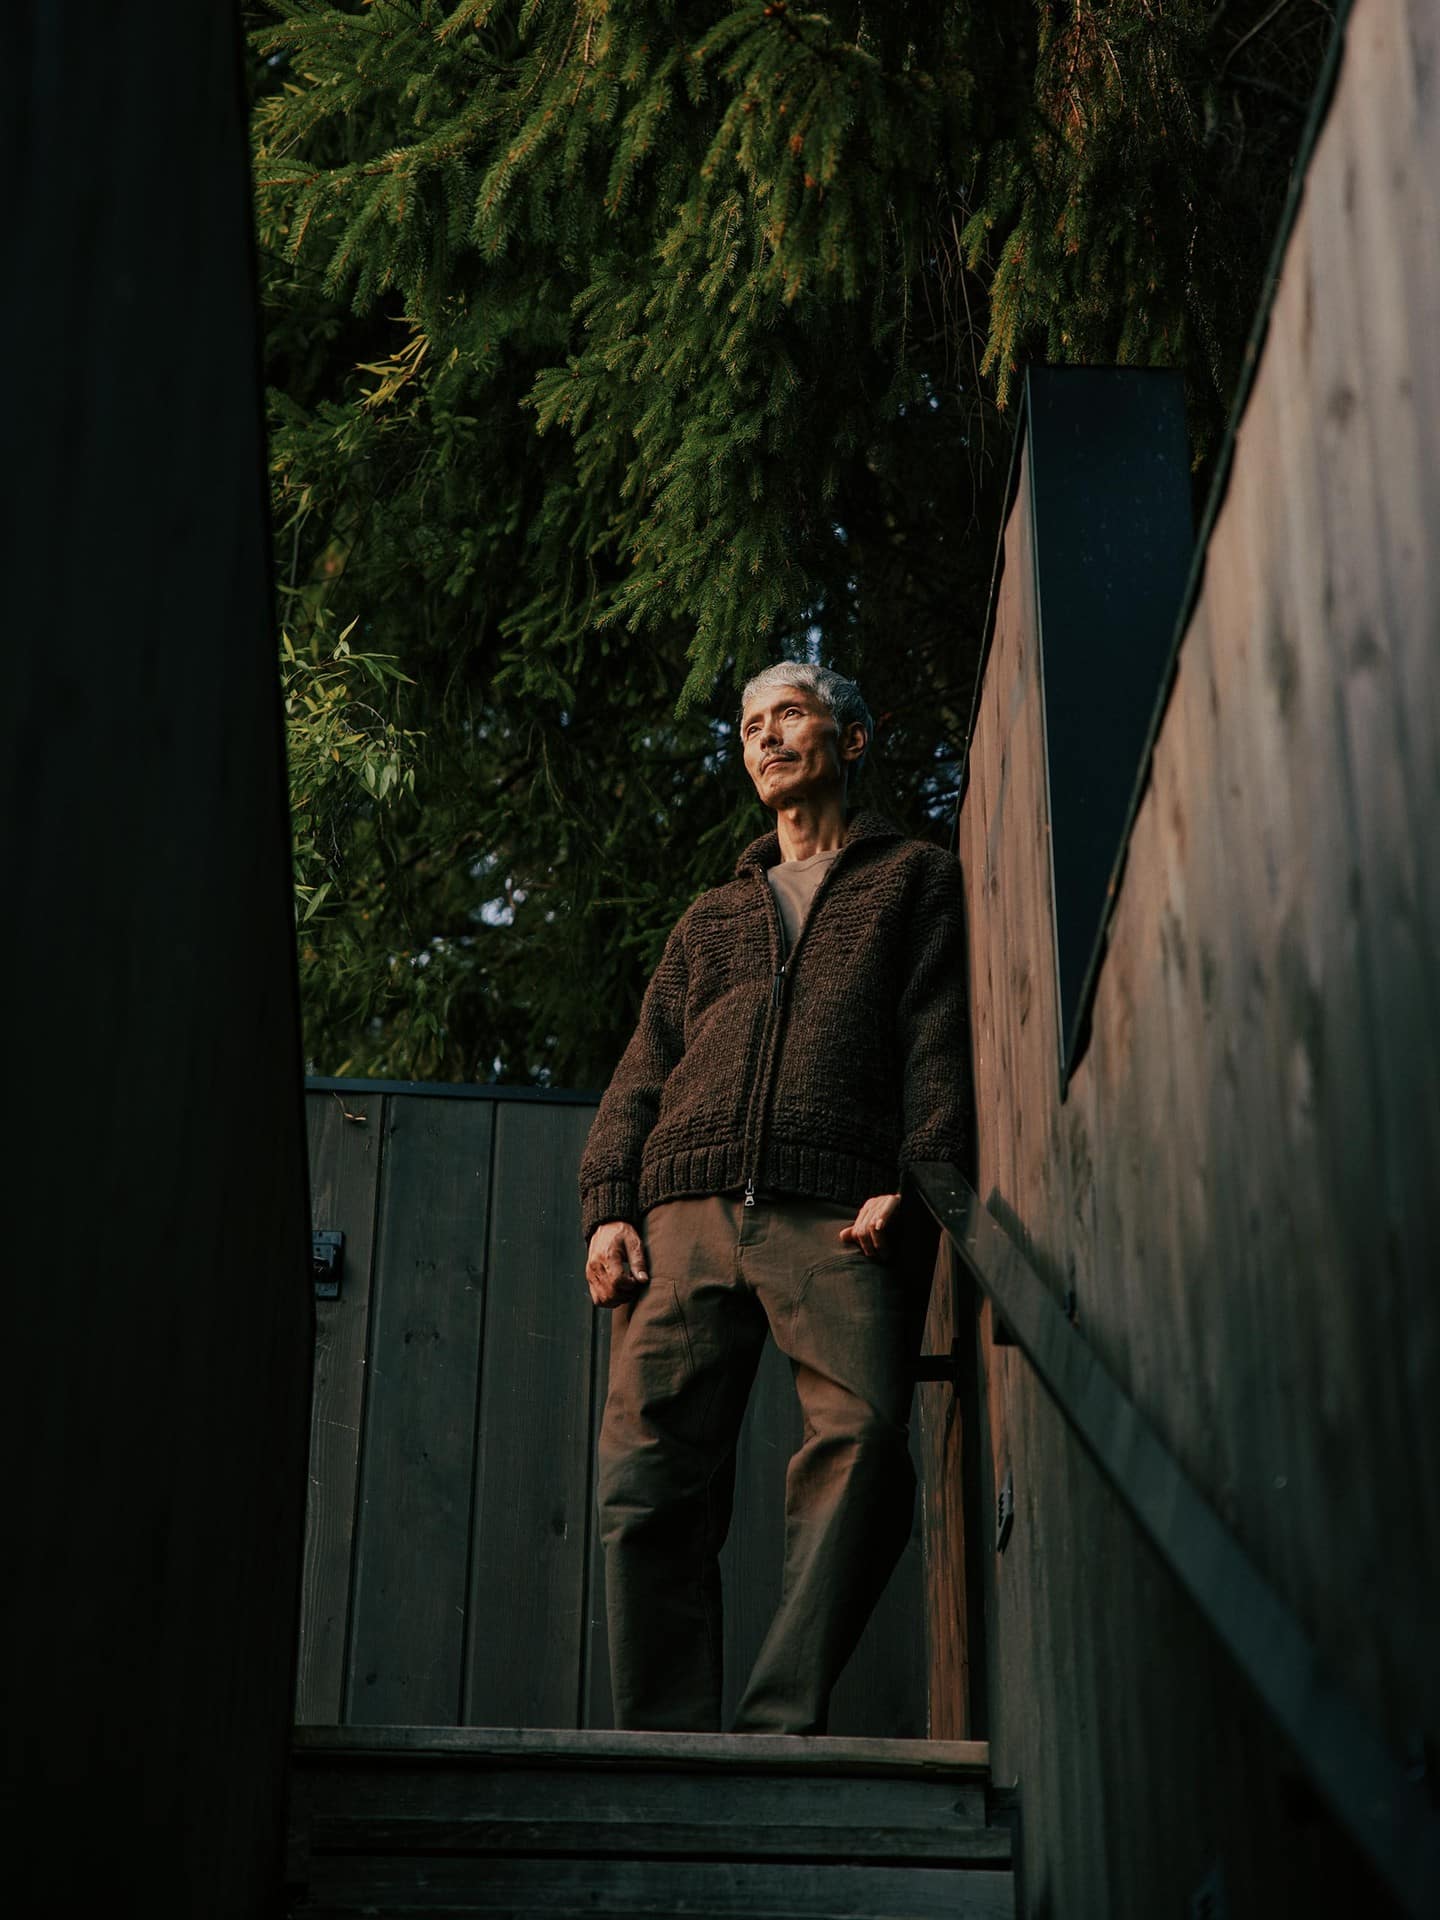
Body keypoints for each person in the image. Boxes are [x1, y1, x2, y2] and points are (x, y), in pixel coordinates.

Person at [578, 661, 971, 1734]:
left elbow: (936, 1038)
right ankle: (665, 1745)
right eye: (751, 724)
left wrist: (916, 1179)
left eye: (789, 715)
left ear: (851, 737)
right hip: (684, 1215)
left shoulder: (914, 881)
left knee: (866, 1445)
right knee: (642, 1478)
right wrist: (610, 1203)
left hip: (837, 1212)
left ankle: (776, 1727)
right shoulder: (711, 918)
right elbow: (642, 1071)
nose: (765, 738)